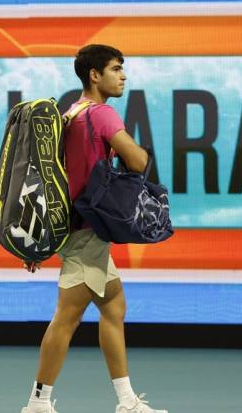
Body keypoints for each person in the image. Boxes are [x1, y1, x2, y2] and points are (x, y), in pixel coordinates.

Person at [20, 44, 167, 413]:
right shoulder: (101, 115)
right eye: (116, 69)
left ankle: (127, 401)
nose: (124, 76)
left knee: (114, 305)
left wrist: (43, 240)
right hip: (87, 233)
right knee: (67, 317)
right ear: (94, 75)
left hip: (78, 230)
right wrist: (140, 153)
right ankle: (38, 402)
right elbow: (136, 161)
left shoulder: (70, 114)